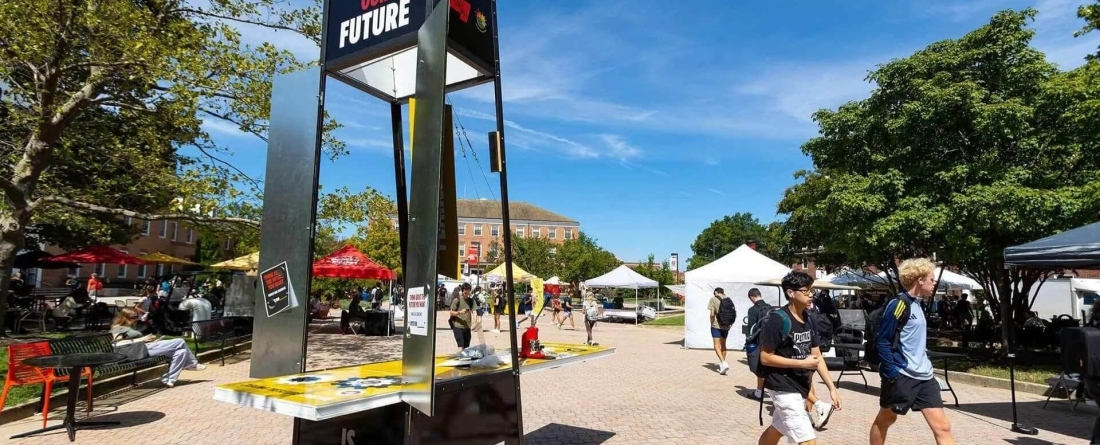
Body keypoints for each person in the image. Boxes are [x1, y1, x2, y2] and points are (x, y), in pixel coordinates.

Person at [870, 258, 956, 445]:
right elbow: (883, 340)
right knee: (886, 419)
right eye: (931, 279)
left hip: (925, 377)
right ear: (919, 280)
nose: (935, 283)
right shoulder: (899, 304)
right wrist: (892, 372)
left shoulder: (919, 304)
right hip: (902, 375)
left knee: (942, 427)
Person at [758, 272, 842, 445]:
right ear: (790, 293)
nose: (811, 294)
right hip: (782, 386)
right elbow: (765, 357)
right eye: (806, 291)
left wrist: (832, 388)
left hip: (800, 385)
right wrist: (802, 363)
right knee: (808, 441)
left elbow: (817, 356)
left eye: (812, 290)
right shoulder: (778, 320)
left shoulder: (809, 319)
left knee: (777, 429)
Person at [111, 308, 205, 387]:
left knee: (182, 352)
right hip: (137, 351)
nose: (136, 319)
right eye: (133, 317)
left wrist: (150, 341)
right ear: (124, 317)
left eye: (137, 316)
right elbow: (117, 343)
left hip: (144, 348)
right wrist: (142, 339)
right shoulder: (118, 328)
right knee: (180, 341)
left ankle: (169, 379)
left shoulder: (129, 327)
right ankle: (192, 364)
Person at [745, 287, 773, 400]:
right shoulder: (771, 308)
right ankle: (760, 391)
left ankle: (759, 392)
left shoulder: (752, 310)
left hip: (759, 342)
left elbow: (751, 329)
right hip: (771, 341)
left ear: (752, 297)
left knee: (759, 368)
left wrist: (748, 341)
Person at [707, 287, 732, 375]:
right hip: (726, 326)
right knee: (723, 345)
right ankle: (722, 365)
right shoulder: (728, 299)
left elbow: (712, 314)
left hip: (716, 325)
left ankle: (724, 363)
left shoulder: (713, 299)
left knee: (716, 346)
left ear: (716, 292)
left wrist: (711, 322)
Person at [448, 283, 474, 353]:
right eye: (465, 293)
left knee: (467, 346)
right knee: (461, 345)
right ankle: (460, 361)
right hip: (458, 326)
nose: (467, 295)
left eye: (468, 293)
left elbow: (474, 311)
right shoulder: (457, 300)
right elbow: (451, 313)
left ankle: (464, 362)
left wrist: (475, 322)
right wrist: (460, 312)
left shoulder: (471, 301)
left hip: (467, 327)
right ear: (462, 291)